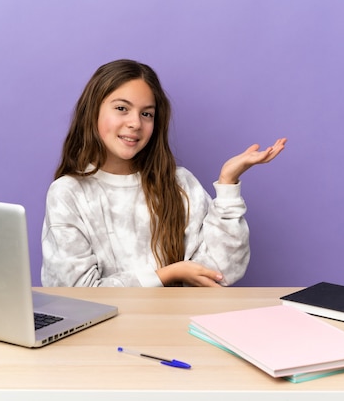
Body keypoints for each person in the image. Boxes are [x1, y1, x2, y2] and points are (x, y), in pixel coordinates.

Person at [41, 59, 286, 287]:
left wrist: (228, 185)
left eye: (146, 113)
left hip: (175, 325)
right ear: (92, 111)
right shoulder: (68, 193)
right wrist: (167, 274)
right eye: (122, 108)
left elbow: (222, 271)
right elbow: (77, 291)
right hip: (104, 331)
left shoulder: (180, 183)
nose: (135, 123)